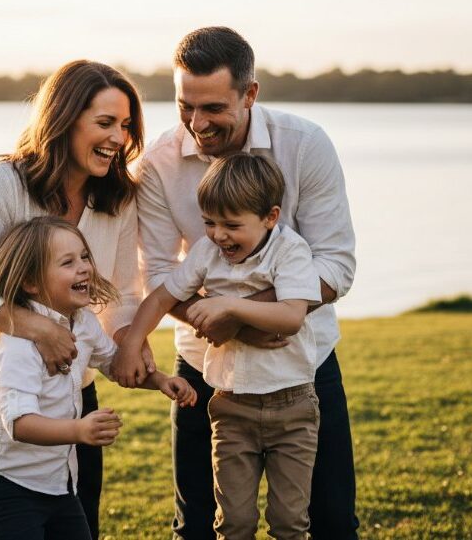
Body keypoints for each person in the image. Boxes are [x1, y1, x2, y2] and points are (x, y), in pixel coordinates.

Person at [112, 26, 358, 539]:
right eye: (185, 107)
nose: (197, 124)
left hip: (303, 368)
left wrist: (242, 315)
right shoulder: (157, 163)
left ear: (250, 94)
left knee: (330, 520)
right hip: (207, 370)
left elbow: (336, 264)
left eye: (213, 108)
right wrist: (212, 323)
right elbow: (160, 274)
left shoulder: (305, 144)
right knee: (201, 524)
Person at [0, 60, 154, 540]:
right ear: (64, 119)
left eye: (126, 126)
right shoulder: (5, 183)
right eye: (105, 123)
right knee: (11, 521)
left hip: (72, 385)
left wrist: (128, 340)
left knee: (81, 520)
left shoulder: (120, 199)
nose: (118, 138)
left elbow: (123, 292)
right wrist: (40, 328)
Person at [118, 154, 322, 539]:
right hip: (232, 406)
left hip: (292, 406)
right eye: (209, 223)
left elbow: (292, 316)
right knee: (234, 522)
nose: (218, 235)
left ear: (270, 217)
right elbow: (161, 296)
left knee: (289, 522)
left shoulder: (289, 250)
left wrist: (228, 306)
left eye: (232, 225)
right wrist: (132, 341)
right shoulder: (207, 252)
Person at [0, 217, 196, 540]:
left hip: (57, 482)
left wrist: (159, 380)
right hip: (5, 482)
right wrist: (79, 430)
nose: (84, 268)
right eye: (68, 262)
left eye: (85, 257)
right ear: (31, 282)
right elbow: (19, 423)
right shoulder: (18, 344)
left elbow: (115, 364)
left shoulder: (84, 322)